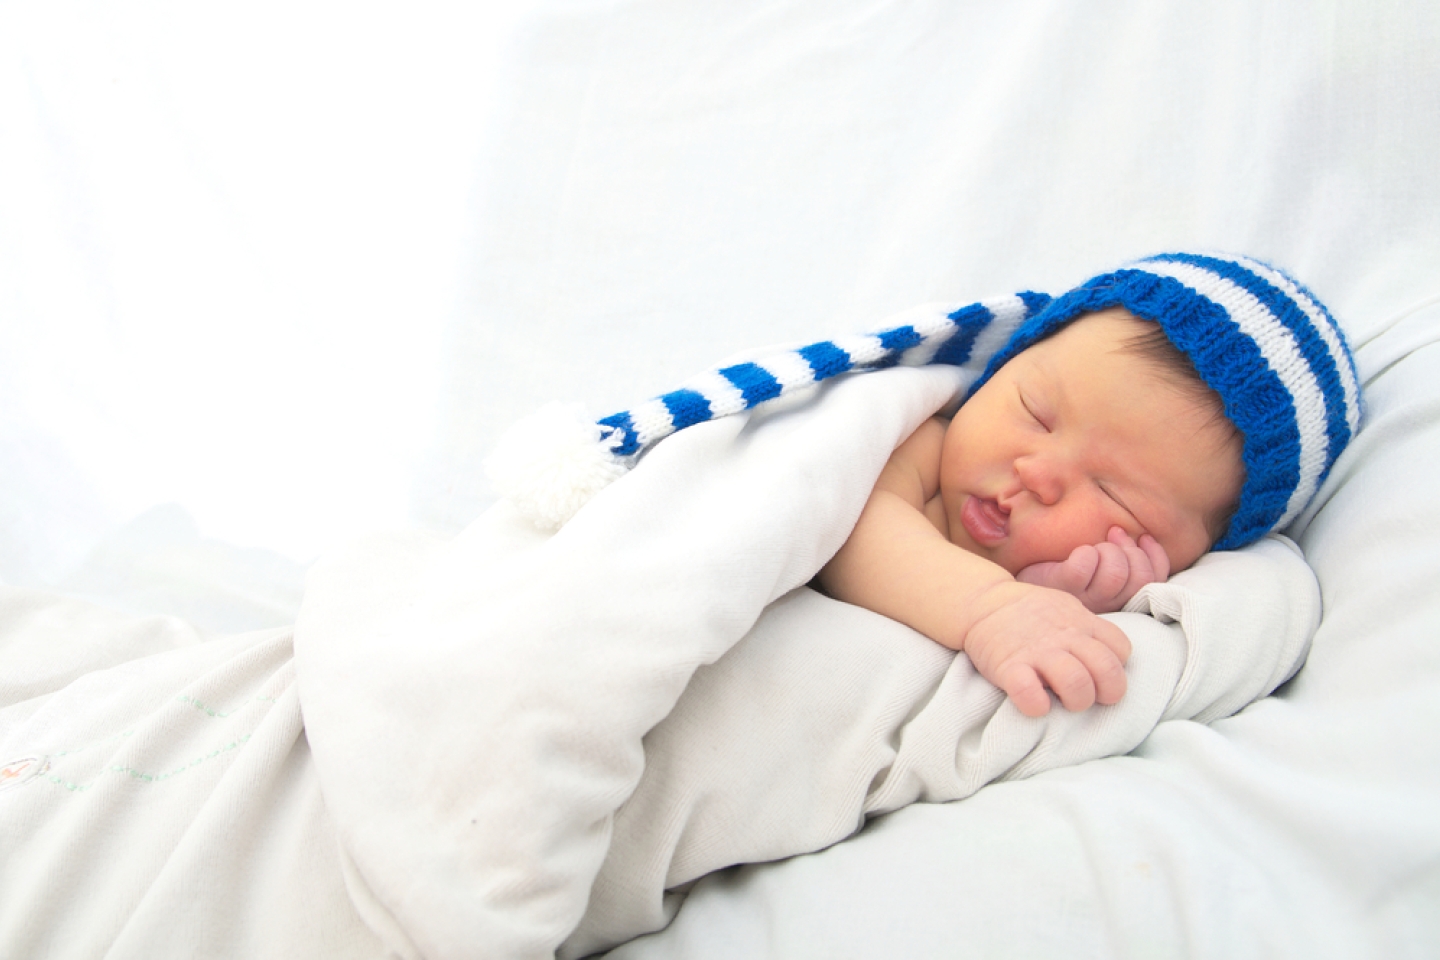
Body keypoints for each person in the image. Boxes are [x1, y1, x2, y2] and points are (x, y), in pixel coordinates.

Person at [816, 306, 1243, 718]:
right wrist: (993, 605)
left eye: (1111, 494)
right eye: (1036, 413)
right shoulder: (916, 448)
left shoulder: (1199, 614)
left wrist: (1054, 595)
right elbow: (849, 526)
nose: (1036, 474)